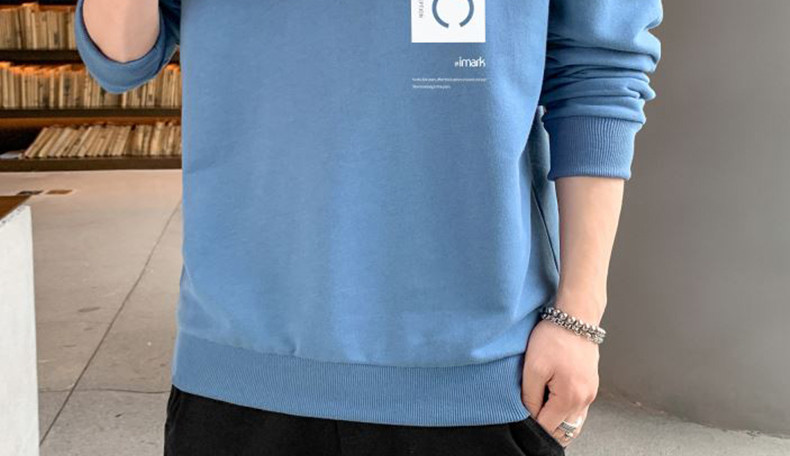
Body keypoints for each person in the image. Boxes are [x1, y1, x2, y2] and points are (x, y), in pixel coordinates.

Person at [75, 1, 662, 454]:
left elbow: (600, 71)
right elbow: (121, 58)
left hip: (471, 366)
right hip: (239, 362)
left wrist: (579, 315)